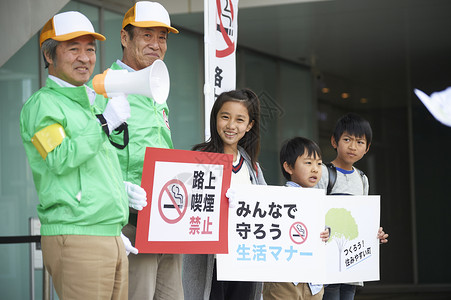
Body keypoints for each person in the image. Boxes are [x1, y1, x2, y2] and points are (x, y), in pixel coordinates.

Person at [19, 11, 145, 299]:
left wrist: (118, 190)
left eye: (90, 49)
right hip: (77, 235)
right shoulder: (43, 105)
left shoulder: (85, 103)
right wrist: (104, 122)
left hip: (108, 233)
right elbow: (59, 157)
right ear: (49, 56)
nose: (85, 57)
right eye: (73, 48)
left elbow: (89, 167)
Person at [99, 2, 181, 299]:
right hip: (128, 226)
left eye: (162, 37)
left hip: (166, 224)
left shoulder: (157, 91)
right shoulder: (101, 90)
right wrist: (118, 190)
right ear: (125, 38)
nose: (156, 45)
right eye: (147, 35)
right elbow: (89, 156)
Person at [183, 89, 267, 300]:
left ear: (249, 126)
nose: (231, 126)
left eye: (240, 120)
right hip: (209, 263)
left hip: (243, 260)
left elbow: (270, 210)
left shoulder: (253, 168)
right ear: (215, 118)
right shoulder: (199, 159)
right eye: (225, 117)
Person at [315, 113, 389, 300]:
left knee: (348, 294)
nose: (353, 147)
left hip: (352, 263)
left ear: (367, 148)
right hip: (328, 260)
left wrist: (374, 233)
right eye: (347, 139)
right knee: (330, 294)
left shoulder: (363, 179)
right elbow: (312, 211)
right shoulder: (323, 172)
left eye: (360, 142)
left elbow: (362, 218)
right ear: (334, 141)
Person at [262, 136, 329, 300]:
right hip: (285, 280)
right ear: (289, 167)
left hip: (313, 283)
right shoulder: (278, 200)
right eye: (308, 163)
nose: (315, 169)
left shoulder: (320, 200)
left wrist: (327, 233)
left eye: (319, 164)